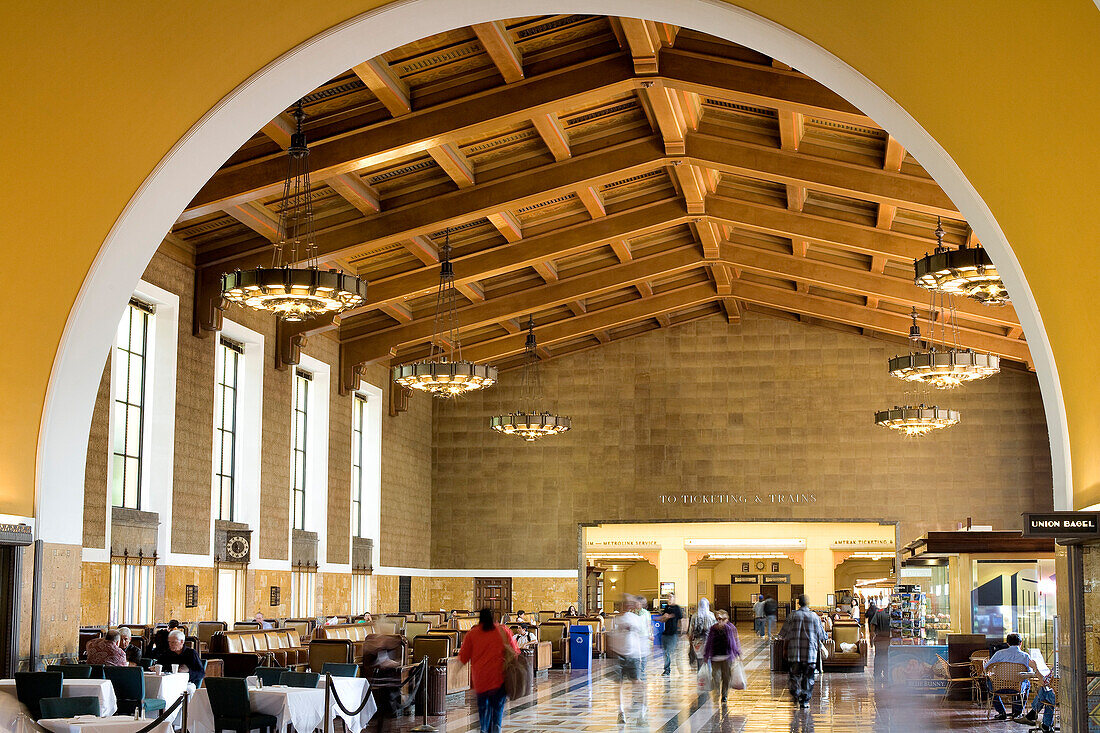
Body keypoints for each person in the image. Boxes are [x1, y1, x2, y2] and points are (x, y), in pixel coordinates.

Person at [458, 608, 520, 733]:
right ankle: (496, 729)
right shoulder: (503, 631)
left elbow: (463, 657)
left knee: (483, 709)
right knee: (497, 709)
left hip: (480, 680)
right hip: (499, 679)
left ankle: (484, 729)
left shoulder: (472, 634)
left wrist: (455, 674)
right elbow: (515, 652)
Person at [777, 594, 829, 709]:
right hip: (810, 654)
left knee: (794, 676)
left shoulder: (792, 616)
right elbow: (822, 636)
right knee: (808, 677)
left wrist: (785, 650)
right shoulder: (815, 617)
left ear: (798, 603)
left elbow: (783, 634)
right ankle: (804, 701)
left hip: (794, 653)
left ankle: (795, 693)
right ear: (808, 603)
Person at [611, 595, 650, 725]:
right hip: (619, 656)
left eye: (630, 604)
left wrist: (641, 657)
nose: (628, 606)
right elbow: (611, 637)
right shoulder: (616, 619)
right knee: (619, 685)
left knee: (638, 683)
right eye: (626, 604)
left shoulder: (636, 619)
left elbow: (641, 638)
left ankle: (643, 711)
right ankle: (620, 712)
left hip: (633, 656)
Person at [985, 633, 1040, 720]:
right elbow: (1029, 673)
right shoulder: (1025, 656)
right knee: (1026, 683)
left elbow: (986, 667)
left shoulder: (999, 654)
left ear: (1007, 643)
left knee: (989, 682)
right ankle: (1017, 712)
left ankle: (1001, 712)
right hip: (1017, 687)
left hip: (999, 686)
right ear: (1021, 643)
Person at [703, 609, 742, 704]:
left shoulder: (729, 628)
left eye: (723, 619)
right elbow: (709, 642)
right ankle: (716, 693)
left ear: (726, 619)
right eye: (718, 619)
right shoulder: (713, 629)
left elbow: (732, 642)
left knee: (726, 677)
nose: (720, 621)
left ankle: (724, 695)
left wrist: (737, 653)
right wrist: (706, 655)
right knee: (715, 677)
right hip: (715, 657)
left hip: (727, 657)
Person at [1016, 644, 1055, 731]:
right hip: (1068, 697)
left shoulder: (1057, 668)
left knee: (1044, 690)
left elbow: (1045, 682)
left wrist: (1035, 668)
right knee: (1046, 692)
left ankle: (1033, 713)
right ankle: (1045, 725)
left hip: (1057, 698)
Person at [658, 593, 684, 676]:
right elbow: (663, 619)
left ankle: (677, 669)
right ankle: (667, 670)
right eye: (668, 597)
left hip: (673, 633)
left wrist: (681, 631)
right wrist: (663, 618)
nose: (669, 598)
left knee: (671, 652)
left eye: (670, 597)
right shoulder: (667, 607)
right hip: (666, 633)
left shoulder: (677, 608)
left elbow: (680, 619)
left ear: (674, 598)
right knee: (666, 652)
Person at [868, 602, 892, 688]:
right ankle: (887, 674)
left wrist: (871, 639)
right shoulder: (895, 615)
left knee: (878, 656)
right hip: (890, 640)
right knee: (887, 657)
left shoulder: (879, 612)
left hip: (879, 640)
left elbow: (872, 625)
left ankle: (877, 674)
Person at [687, 597, 716, 668]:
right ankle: (708, 676)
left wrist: (690, 640)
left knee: (699, 661)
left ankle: (701, 677)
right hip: (709, 641)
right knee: (708, 660)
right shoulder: (711, 615)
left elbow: (691, 630)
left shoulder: (694, 616)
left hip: (697, 642)